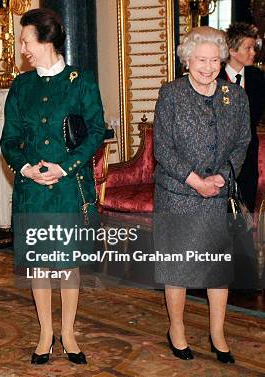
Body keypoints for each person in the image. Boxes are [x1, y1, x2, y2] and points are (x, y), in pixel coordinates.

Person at [0, 8, 105, 365]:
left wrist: (65, 166)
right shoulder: (21, 85)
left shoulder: (82, 80)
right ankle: (45, 333)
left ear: (45, 39)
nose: (23, 47)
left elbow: (95, 133)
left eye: (26, 40)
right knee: (39, 264)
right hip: (32, 189)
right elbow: (9, 140)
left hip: (67, 187)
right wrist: (26, 169)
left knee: (67, 264)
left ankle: (69, 333)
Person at [153, 26, 250, 364]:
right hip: (178, 193)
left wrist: (222, 177)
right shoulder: (171, 94)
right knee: (177, 267)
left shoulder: (234, 96)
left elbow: (242, 143)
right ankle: (176, 328)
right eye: (200, 60)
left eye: (213, 60)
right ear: (187, 60)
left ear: (222, 60)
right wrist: (195, 181)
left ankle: (217, 333)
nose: (208, 67)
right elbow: (162, 148)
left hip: (217, 194)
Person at [219, 23, 264, 213]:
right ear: (232, 50)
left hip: (249, 155)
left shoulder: (258, 78)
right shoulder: (215, 78)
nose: (253, 52)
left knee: (245, 214)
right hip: (220, 158)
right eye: (248, 48)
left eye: (254, 47)